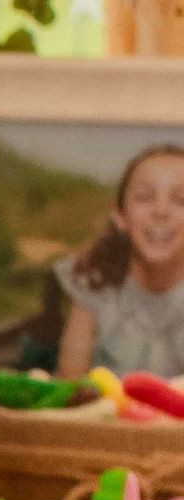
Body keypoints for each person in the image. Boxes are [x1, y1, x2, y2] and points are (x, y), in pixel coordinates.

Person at [54, 141, 184, 382]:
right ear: (121, 216)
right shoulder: (95, 285)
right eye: (144, 197)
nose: (161, 210)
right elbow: (69, 386)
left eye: (180, 200)